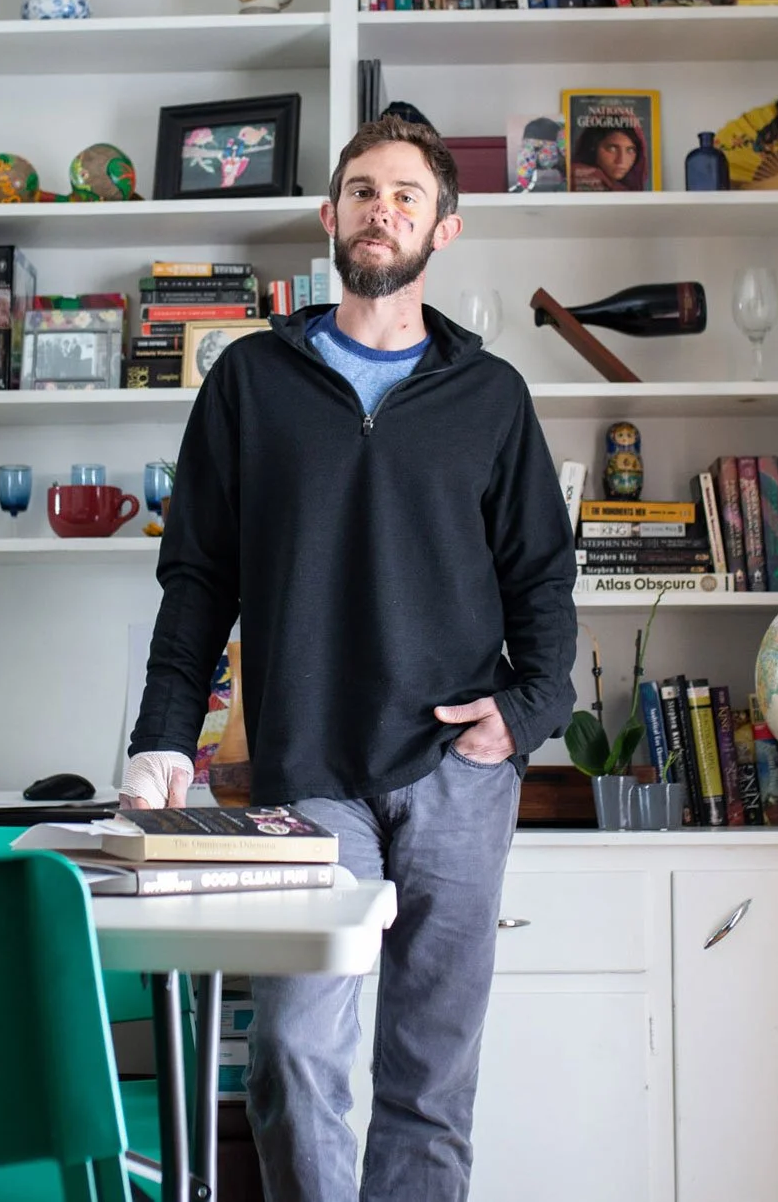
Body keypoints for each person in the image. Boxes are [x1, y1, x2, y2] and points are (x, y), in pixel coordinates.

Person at [123, 116, 578, 1201]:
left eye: (407, 195)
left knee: (430, 1083)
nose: (383, 209)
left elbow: (542, 579)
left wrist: (525, 713)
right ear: (330, 217)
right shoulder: (249, 380)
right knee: (291, 1054)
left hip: (457, 771)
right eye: (364, 190)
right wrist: (161, 736)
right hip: (309, 775)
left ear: (442, 228)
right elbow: (197, 578)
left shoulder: (490, 395)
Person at [570, 123, 647, 191]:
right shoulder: (582, 177)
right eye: (612, 149)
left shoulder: (623, 188)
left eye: (630, 150)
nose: (621, 161)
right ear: (593, 147)